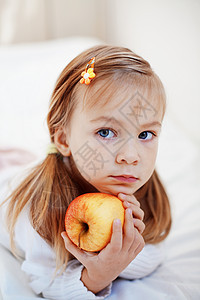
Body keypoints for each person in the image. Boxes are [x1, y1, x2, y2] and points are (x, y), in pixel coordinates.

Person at [0, 45, 171, 299]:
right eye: (106, 132)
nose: (131, 155)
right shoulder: (37, 206)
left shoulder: (133, 181)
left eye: (145, 134)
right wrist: (99, 276)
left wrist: (125, 252)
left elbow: (157, 248)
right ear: (64, 139)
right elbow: (46, 281)